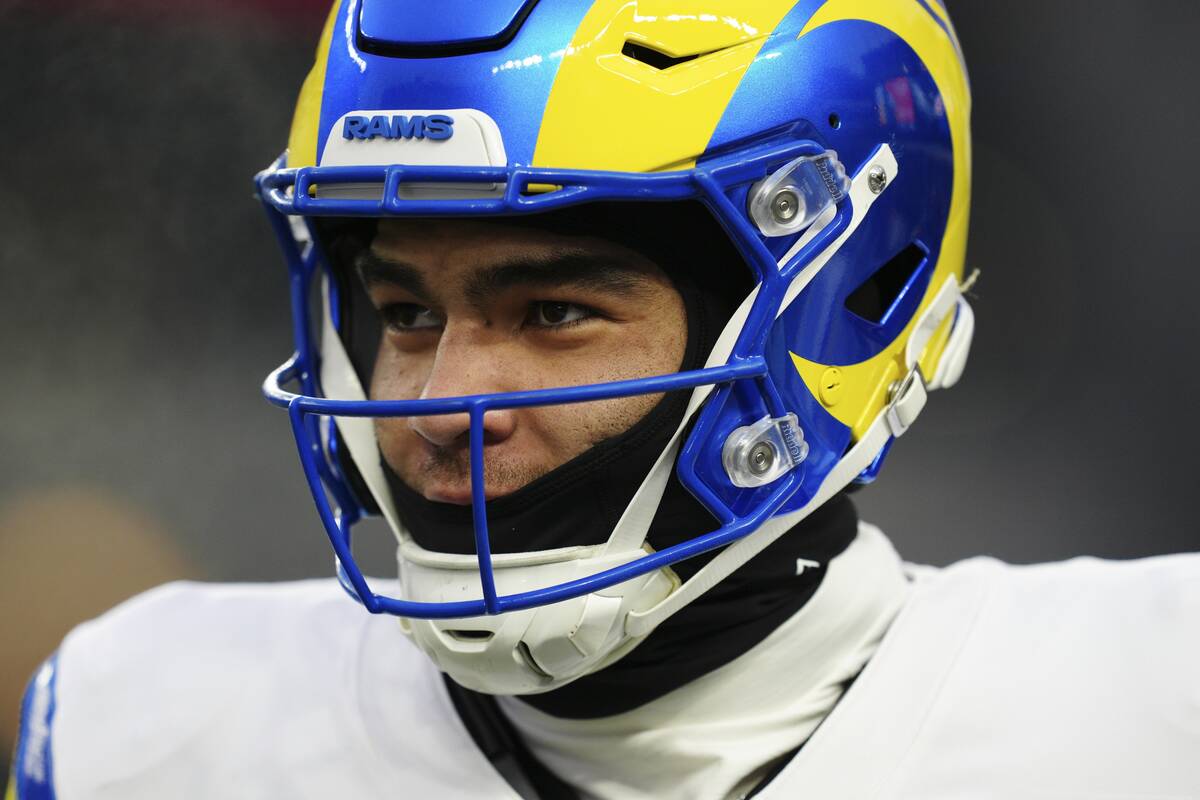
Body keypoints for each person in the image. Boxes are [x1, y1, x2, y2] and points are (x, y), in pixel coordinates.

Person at [9, 1, 1199, 798]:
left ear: (843, 304)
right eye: (408, 313)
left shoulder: (1150, 704)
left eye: (555, 313)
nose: (440, 402)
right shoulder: (149, 733)